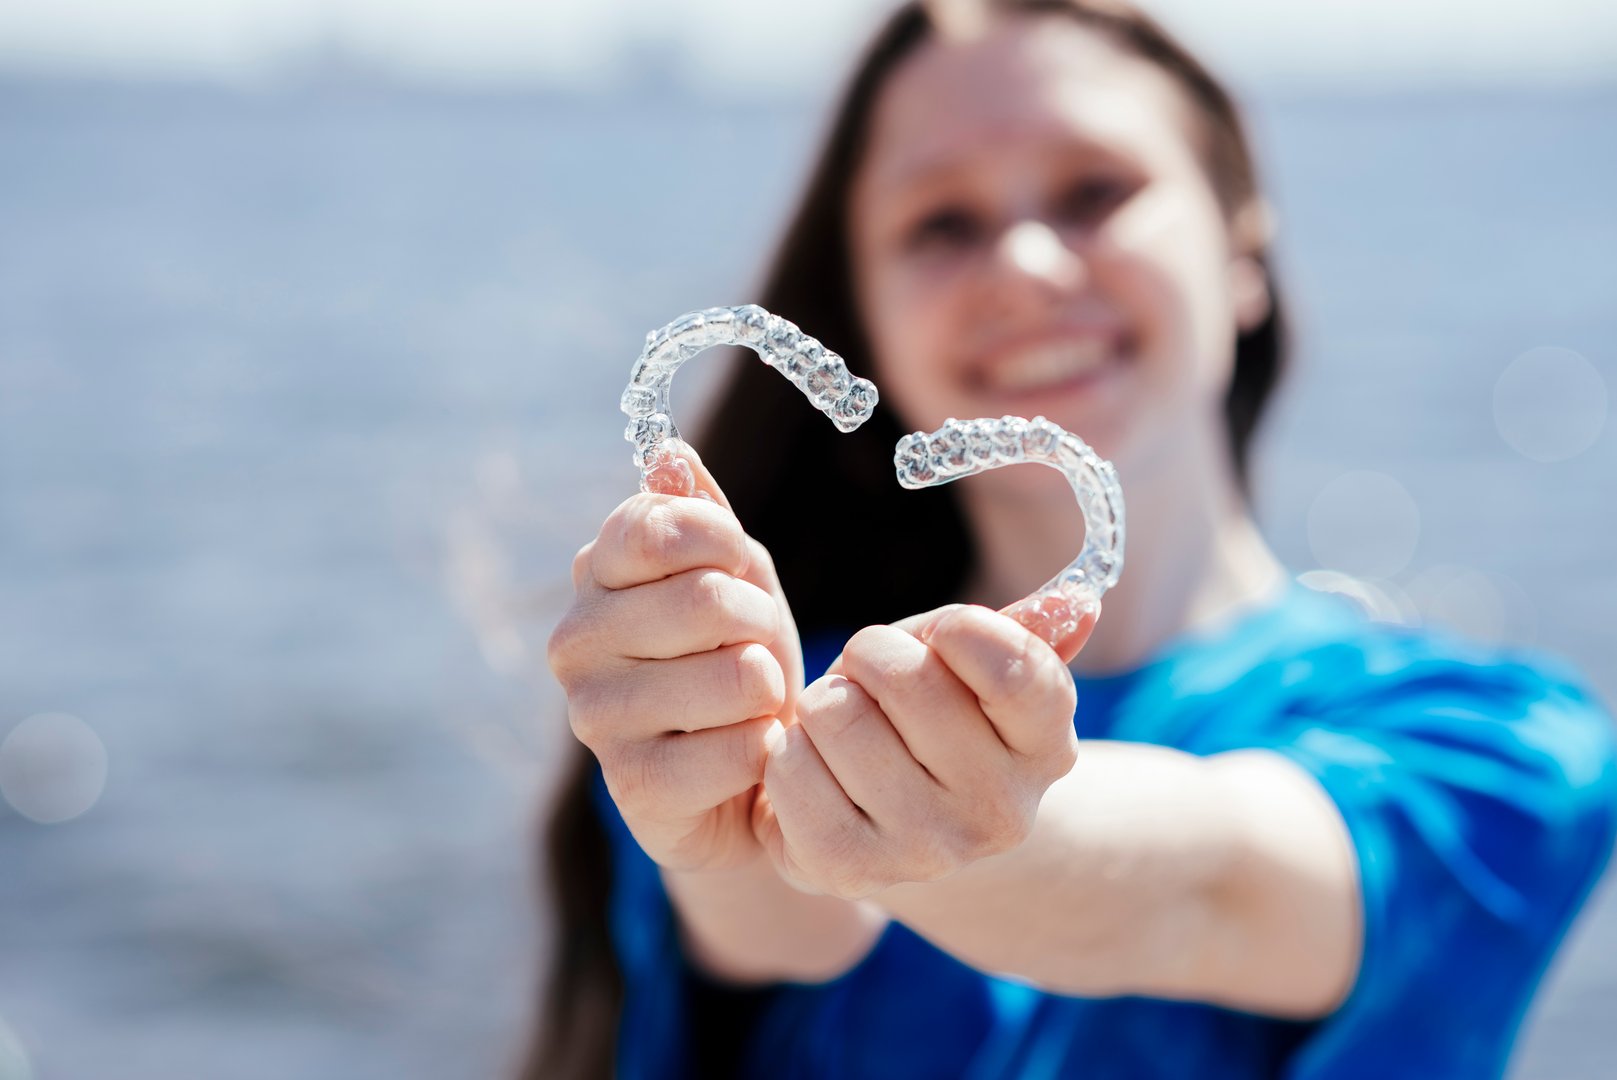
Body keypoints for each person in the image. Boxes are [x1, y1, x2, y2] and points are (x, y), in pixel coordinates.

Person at [533, 1, 1617, 1077]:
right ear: (864, 313)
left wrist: (949, 828)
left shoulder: (1499, 750)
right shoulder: (723, 697)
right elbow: (774, 924)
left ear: (1241, 250)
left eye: (1095, 192)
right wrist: (731, 820)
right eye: (942, 223)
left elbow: (1207, 895)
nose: (1025, 267)